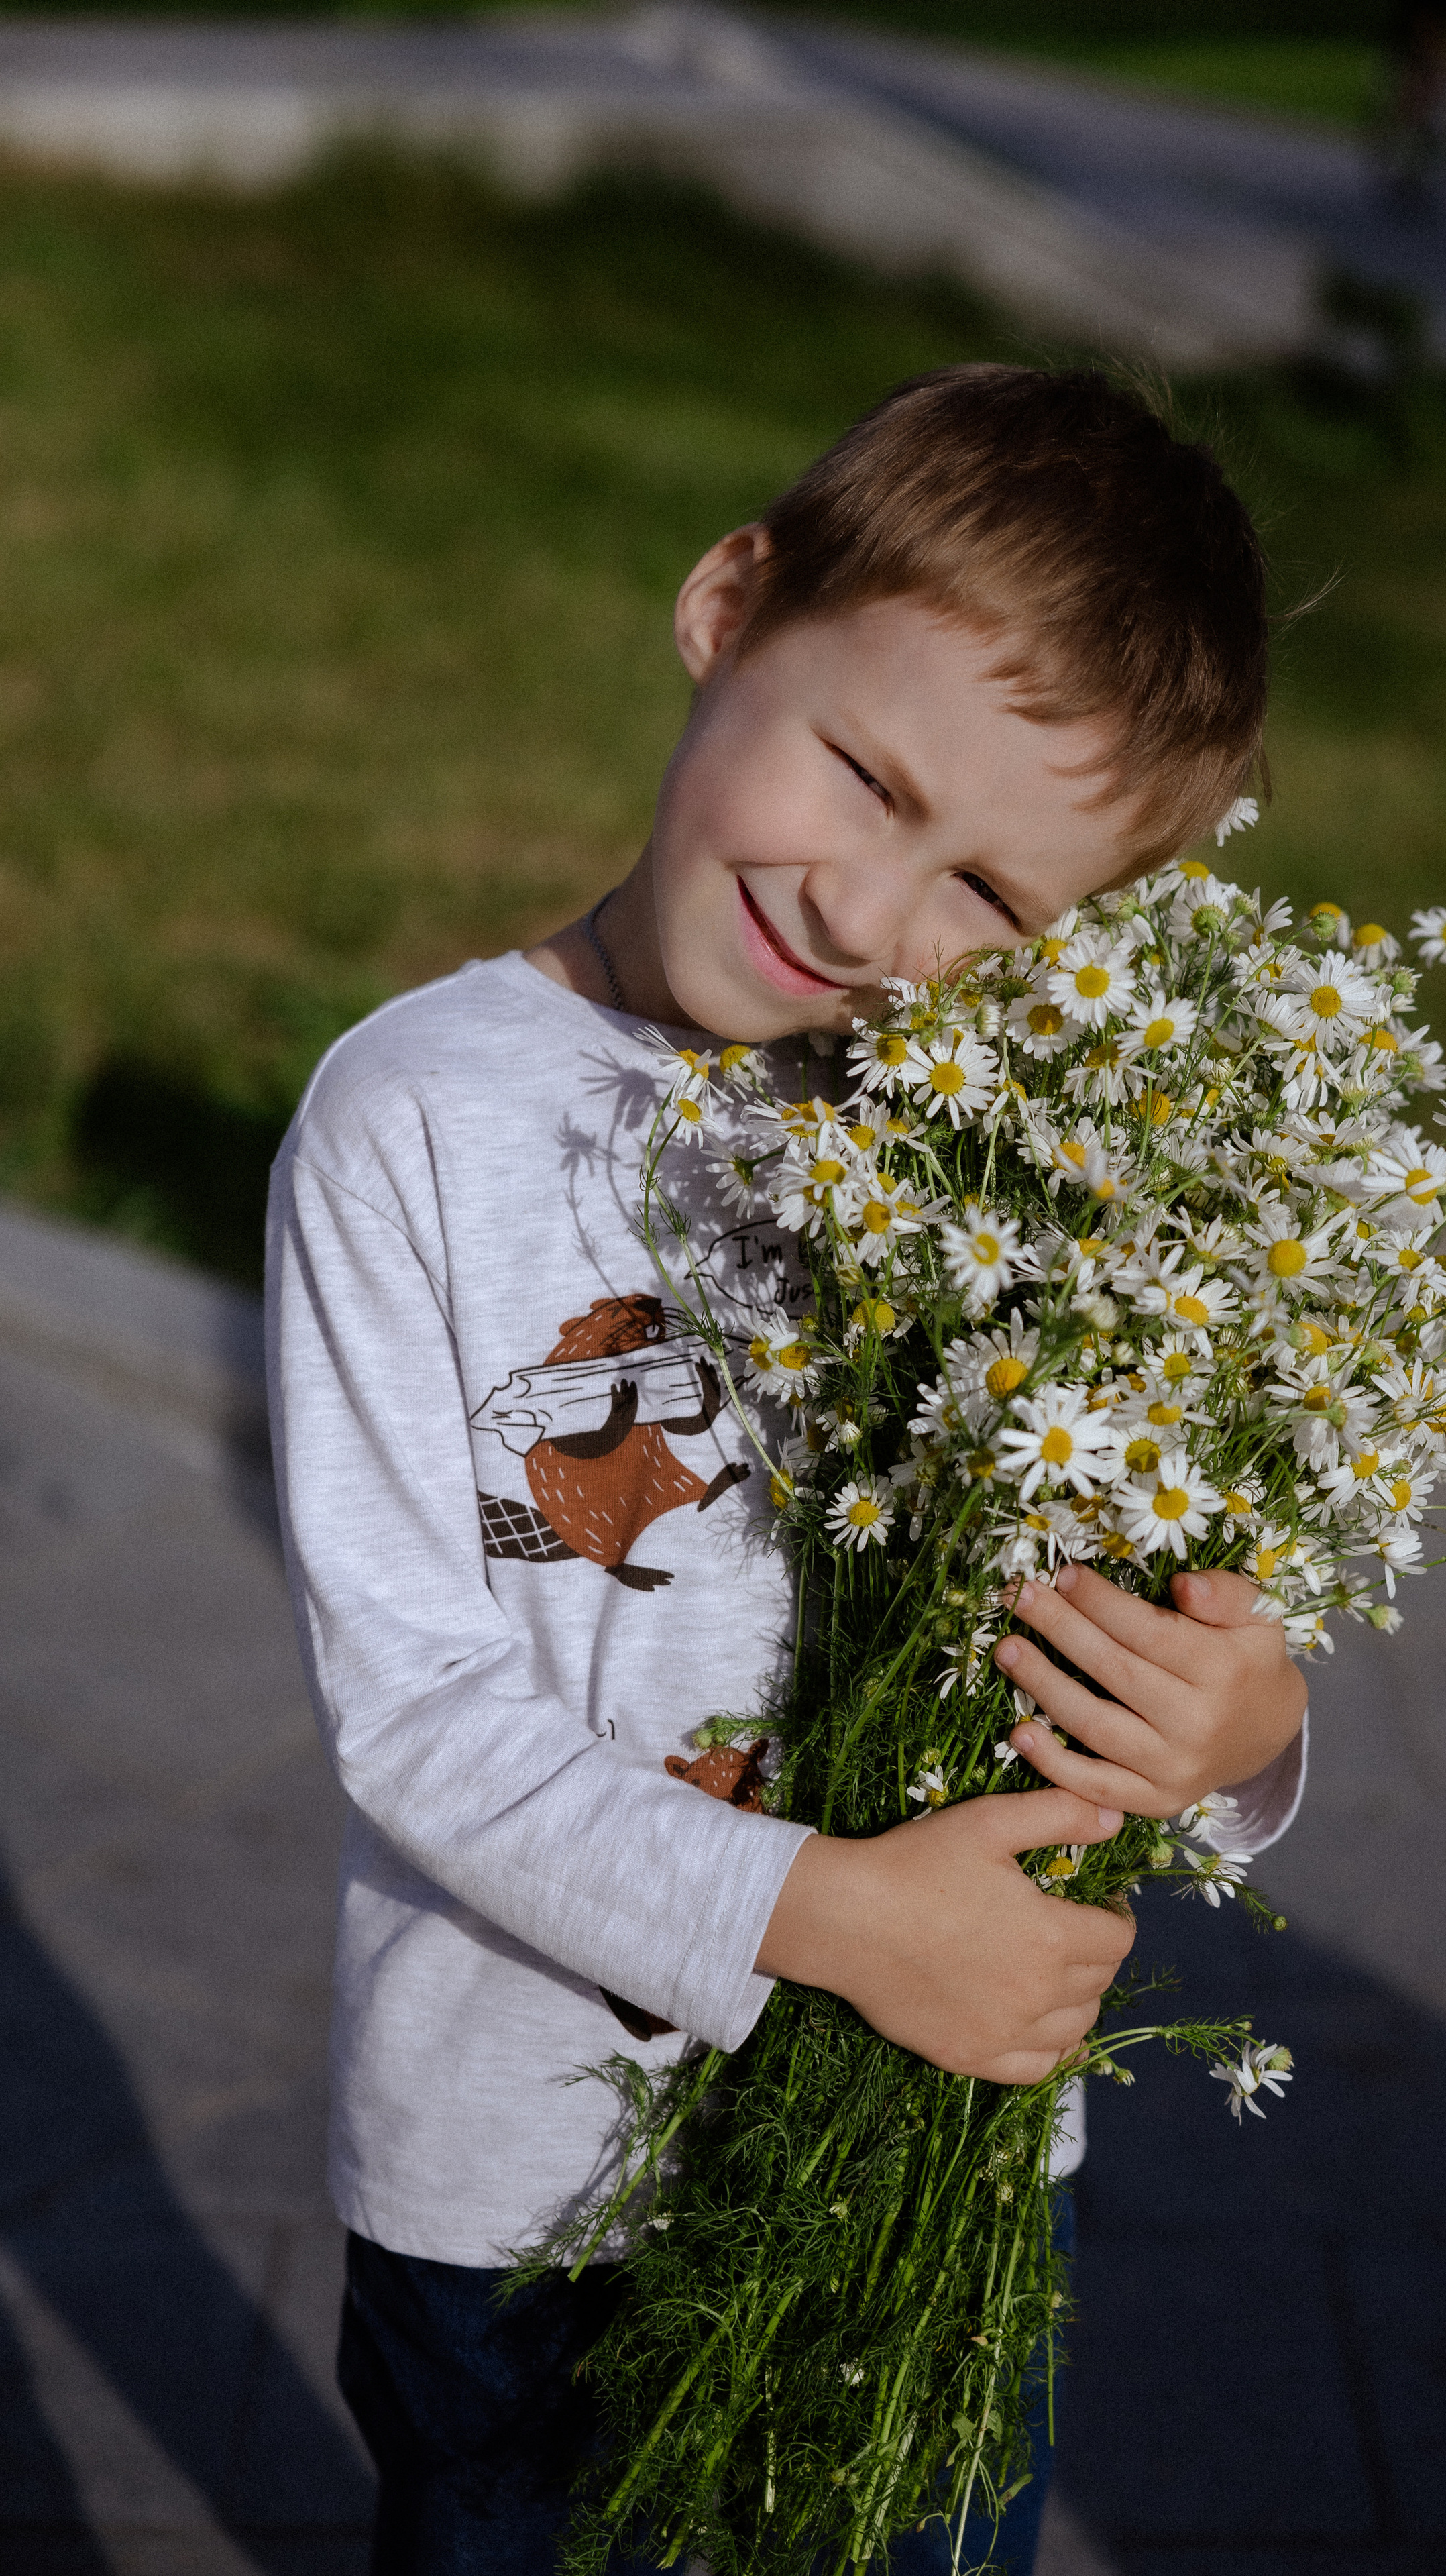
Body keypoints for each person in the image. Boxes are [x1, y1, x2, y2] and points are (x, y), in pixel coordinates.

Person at [266, 364, 1310, 2575]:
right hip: (524, 2185)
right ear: (732, 603)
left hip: (928, 2163)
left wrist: (1241, 1730)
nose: (869, 918)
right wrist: (826, 1918)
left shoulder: (1033, 1158)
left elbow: (1109, 1615)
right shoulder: (415, 1122)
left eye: (994, 903)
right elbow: (421, 1715)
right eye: (863, 773)